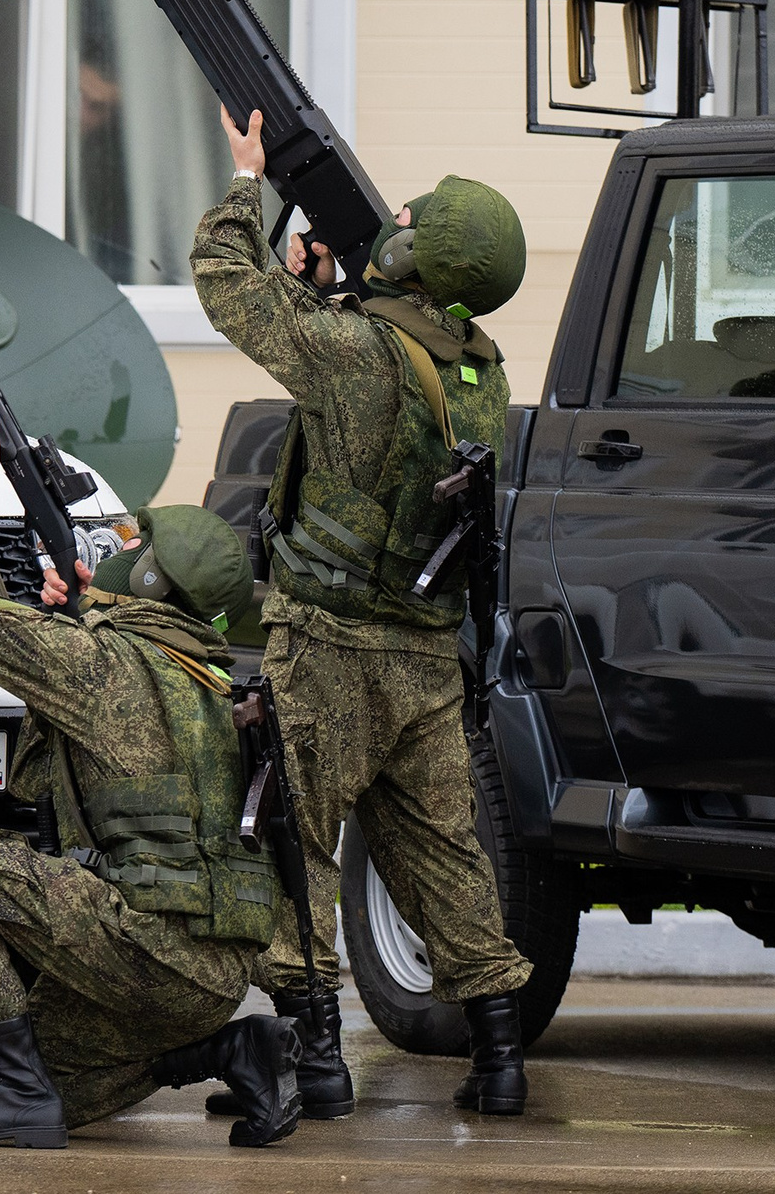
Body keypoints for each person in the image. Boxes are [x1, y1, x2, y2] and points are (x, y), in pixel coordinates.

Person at [191, 106, 534, 1119]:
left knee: (293, 839)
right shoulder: (479, 370)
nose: (396, 219)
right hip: (422, 656)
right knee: (444, 851)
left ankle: (315, 1063)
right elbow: (371, 403)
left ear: (421, 257)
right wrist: (326, 292)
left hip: (328, 646)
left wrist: (244, 183)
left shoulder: (355, 353)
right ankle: (499, 1057)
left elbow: (226, 286)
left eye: (410, 221)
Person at [0, 402, 303, 1152]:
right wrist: (86, 617)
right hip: (214, 976)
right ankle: (230, 1049)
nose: (120, 547)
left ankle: (19, 1090)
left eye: (134, 546)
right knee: (7, 1088)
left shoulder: (98, 663)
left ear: (151, 577)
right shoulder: (214, 680)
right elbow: (48, 773)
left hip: (144, 950)